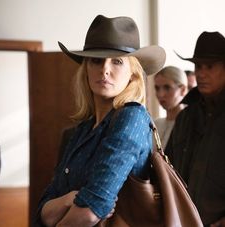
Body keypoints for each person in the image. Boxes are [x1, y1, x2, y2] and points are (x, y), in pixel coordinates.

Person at [35, 15, 166, 227]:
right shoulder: (82, 129)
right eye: (96, 60)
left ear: (133, 73)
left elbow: (91, 210)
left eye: (117, 61)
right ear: (85, 69)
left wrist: (63, 209)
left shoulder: (132, 118)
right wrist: (68, 200)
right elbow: (43, 209)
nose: (105, 69)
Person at [166, 31, 225, 227]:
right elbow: (167, 171)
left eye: (209, 66)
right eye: (198, 66)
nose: (201, 73)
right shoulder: (185, 117)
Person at [154, 66, 188, 149]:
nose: (160, 94)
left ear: (182, 90)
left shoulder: (190, 125)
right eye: (157, 88)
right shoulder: (155, 124)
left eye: (167, 87)